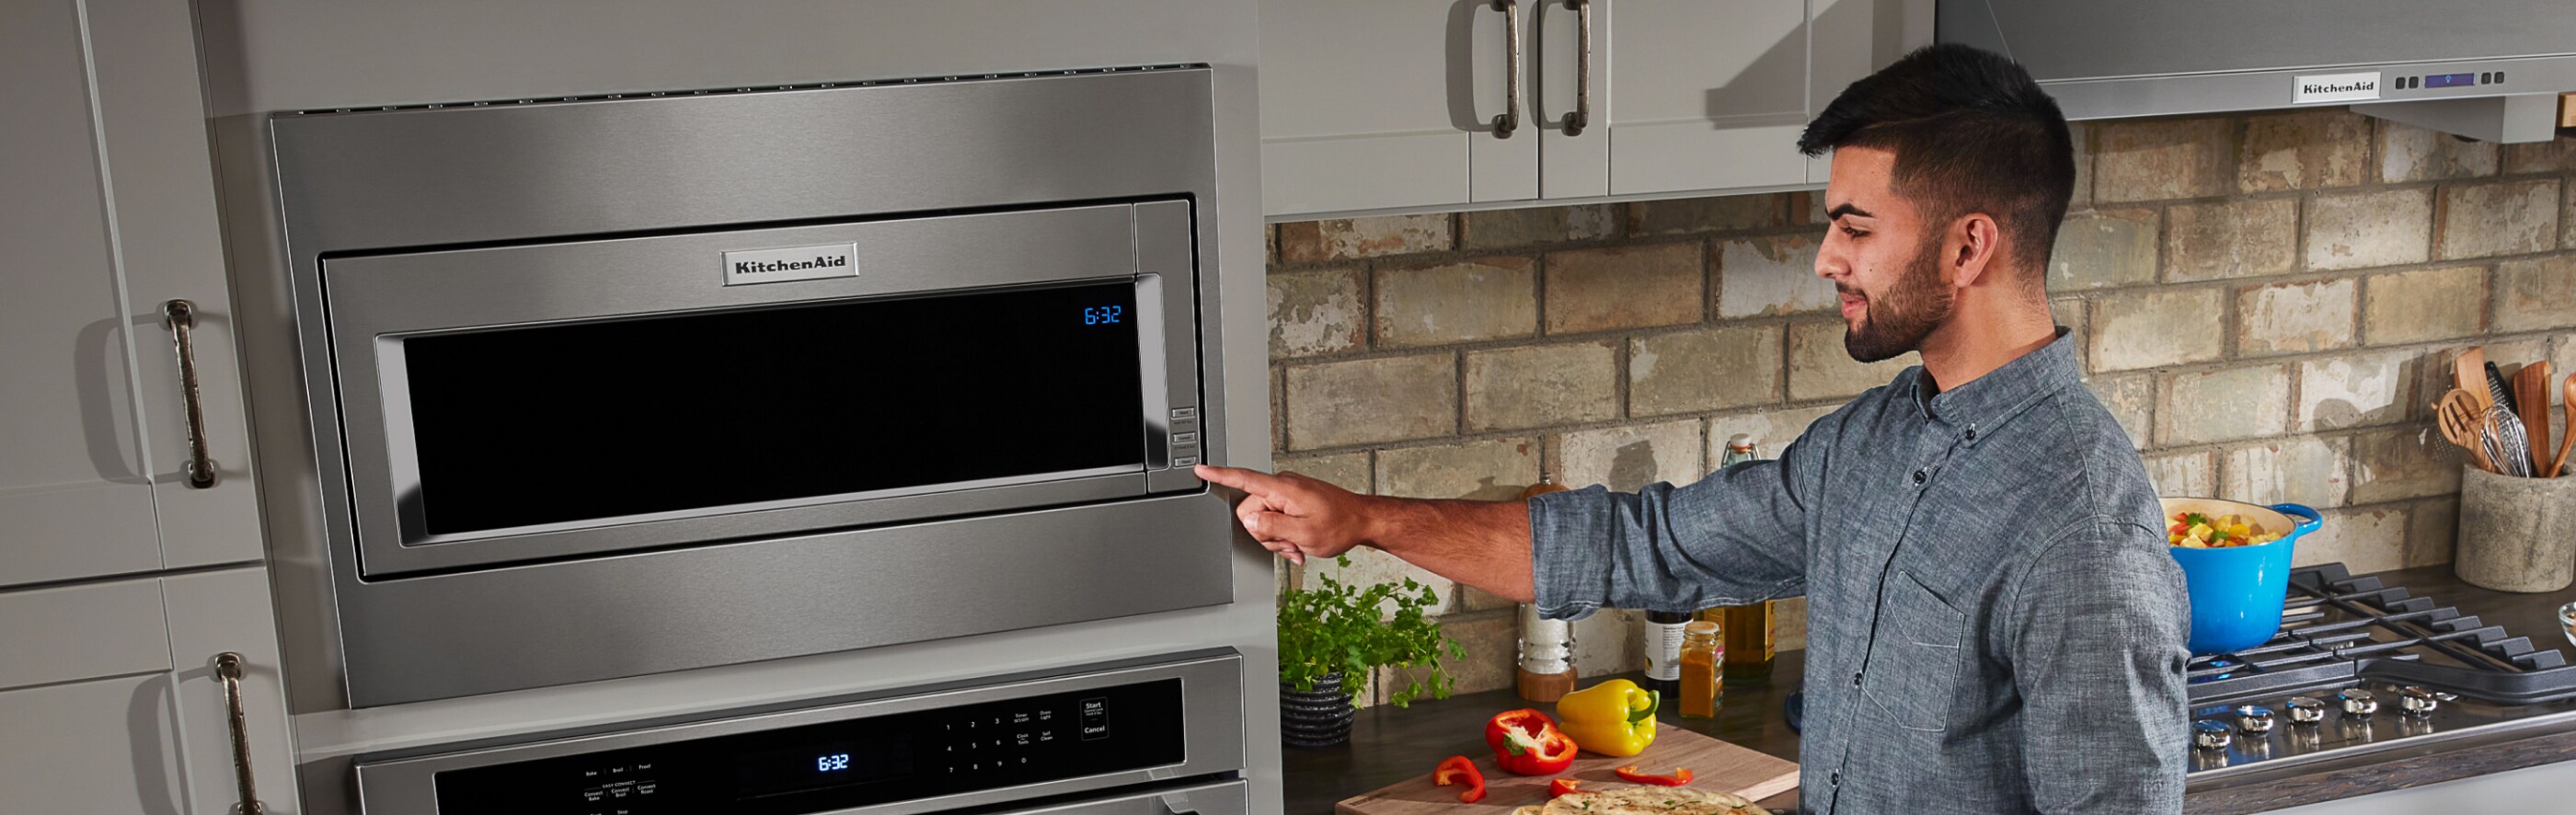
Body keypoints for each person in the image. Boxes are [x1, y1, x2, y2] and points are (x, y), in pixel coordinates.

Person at [1198, 43, 2190, 813]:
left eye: (1853, 227)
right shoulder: (1875, 442)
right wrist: (1360, 518)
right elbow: (1645, 546)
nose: (1822, 260)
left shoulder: (2079, 522)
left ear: (1969, 244)